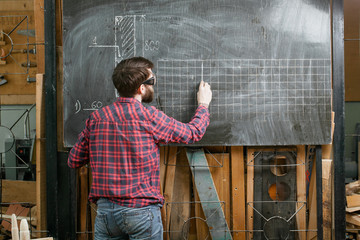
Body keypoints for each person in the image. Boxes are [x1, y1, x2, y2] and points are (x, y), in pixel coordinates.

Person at [68, 56, 212, 240]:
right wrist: (203, 105)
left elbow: (73, 161)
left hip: (106, 214)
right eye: (151, 81)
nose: (154, 84)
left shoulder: (96, 119)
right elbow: (193, 133)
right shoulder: (149, 117)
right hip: (140, 212)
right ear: (141, 88)